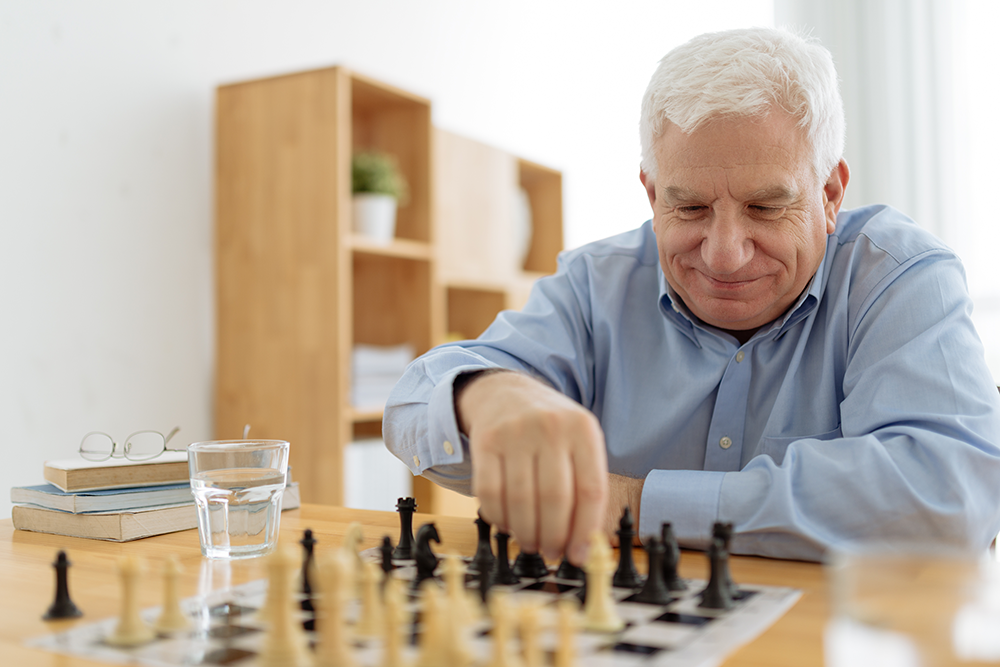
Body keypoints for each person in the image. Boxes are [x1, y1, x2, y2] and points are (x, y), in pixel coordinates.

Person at [383, 27, 1000, 563]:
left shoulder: (898, 275)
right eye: (691, 207)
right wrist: (488, 397)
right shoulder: (598, 283)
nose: (725, 252)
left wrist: (633, 504)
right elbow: (409, 406)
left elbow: (947, 498)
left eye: (766, 206)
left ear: (831, 195)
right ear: (653, 196)